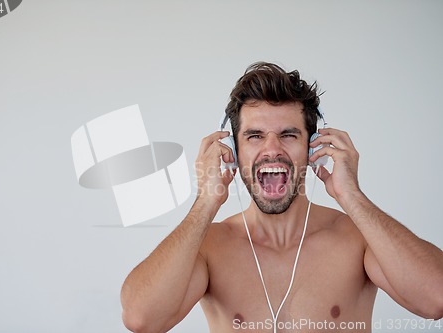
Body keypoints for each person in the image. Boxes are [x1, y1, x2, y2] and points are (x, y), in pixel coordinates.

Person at [120, 62, 443, 333]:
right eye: (254, 136)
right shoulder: (208, 246)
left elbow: (436, 299)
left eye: (288, 135)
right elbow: (141, 319)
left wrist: (351, 196)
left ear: (313, 147)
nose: (272, 149)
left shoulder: (356, 237)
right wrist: (207, 200)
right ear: (233, 151)